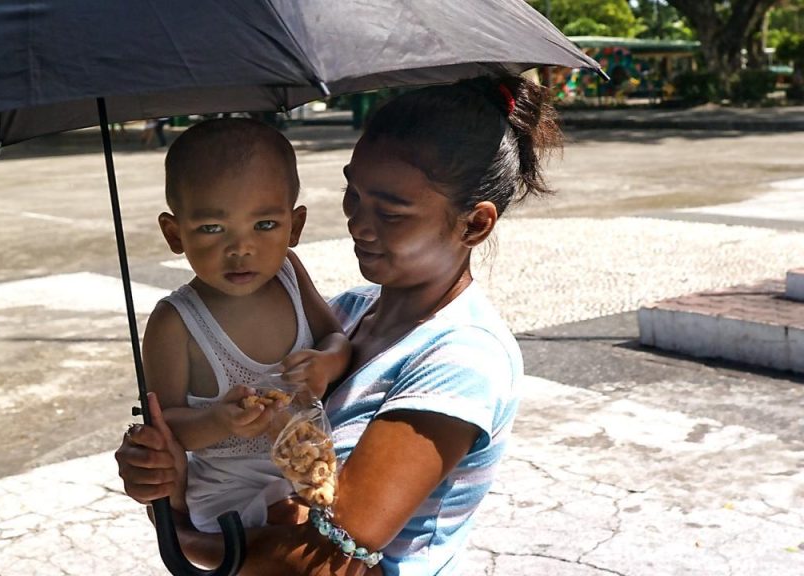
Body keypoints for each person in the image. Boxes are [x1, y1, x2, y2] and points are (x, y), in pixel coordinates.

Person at [116, 75, 562, 575]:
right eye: (354, 194)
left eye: (391, 213)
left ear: (475, 224)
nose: (358, 224)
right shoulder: (351, 310)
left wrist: (183, 535)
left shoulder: (460, 361)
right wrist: (164, 478)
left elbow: (327, 564)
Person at [143, 118, 351, 533]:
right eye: (212, 228)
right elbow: (166, 428)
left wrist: (326, 363)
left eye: (265, 225)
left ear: (295, 227)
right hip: (230, 490)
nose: (240, 248)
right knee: (302, 523)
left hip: (313, 462)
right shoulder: (175, 322)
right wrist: (220, 421)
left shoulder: (289, 274)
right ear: (174, 233)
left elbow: (336, 338)